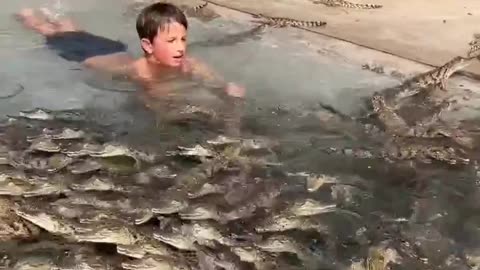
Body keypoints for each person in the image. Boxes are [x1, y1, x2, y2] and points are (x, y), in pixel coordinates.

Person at [15, 3, 245, 134]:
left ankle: (55, 13)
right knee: (49, 31)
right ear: (148, 46)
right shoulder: (140, 70)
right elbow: (154, 107)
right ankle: (28, 15)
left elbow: (221, 87)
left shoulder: (192, 65)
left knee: (74, 31)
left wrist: (229, 89)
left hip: (113, 49)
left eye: (183, 40)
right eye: (171, 41)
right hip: (84, 58)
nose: (179, 48)